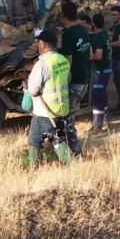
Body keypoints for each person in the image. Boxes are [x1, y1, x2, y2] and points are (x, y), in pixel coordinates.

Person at [20, 29, 75, 165]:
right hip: (62, 108)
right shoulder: (63, 60)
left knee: (35, 140)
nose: (37, 45)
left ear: (43, 44)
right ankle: (72, 163)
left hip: (44, 111)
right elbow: (67, 80)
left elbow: (33, 90)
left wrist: (25, 86)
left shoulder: (41, 65)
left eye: (38, 42)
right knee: (56, 136)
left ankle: (35, 165)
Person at [59, 1, 92, 114]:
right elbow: (90, 54)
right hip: (84, 79)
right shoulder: (83, 30)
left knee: (66, 115)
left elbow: (68, 62)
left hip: (74, 82)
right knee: (71, 113)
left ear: (63, 15)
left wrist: (61, 82)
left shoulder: (68, 34)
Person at [89, 13, 112, 132]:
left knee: (98, 97)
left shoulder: (97, 38)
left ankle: (97, 126)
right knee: (103, 95)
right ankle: (105, 121)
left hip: (100, 70)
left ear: (94, 24)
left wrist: (88, 55)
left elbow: (98, 56)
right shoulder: (104, 34)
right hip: (106, 68)